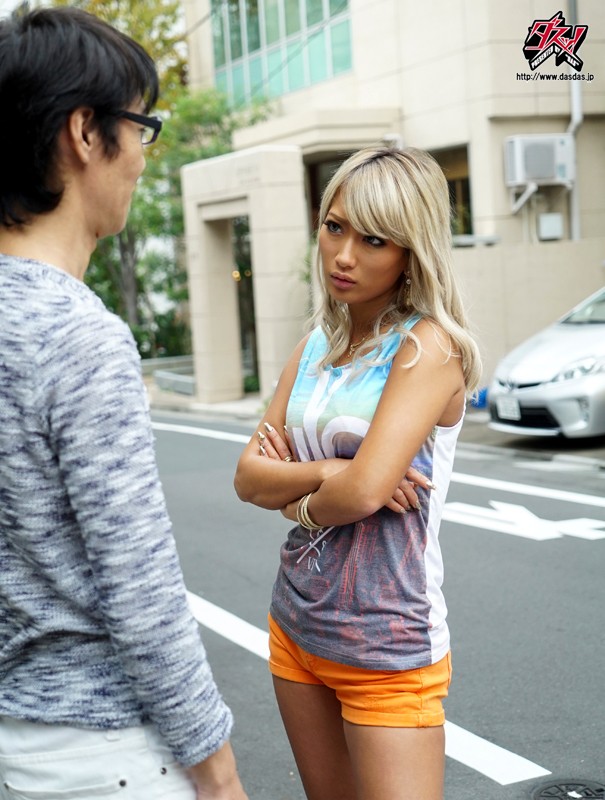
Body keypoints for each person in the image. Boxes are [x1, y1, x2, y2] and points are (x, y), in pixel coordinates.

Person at [0, 7, 247, 800]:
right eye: (142, 126)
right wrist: (219, 774)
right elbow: (140, 592)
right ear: (84, 132)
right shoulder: (78, 336)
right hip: (99, 756)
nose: (143, 154)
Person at [234, 145, 481, 800]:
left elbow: (366, 492)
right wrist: (327, 471)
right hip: (295, 622)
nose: (343, 255)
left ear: (410, 250)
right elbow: (248, 476)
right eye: (334, 227)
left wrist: (300, 495)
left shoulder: (427, 347)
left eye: (373, 239)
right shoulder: (315, 346)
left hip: (387, 641)